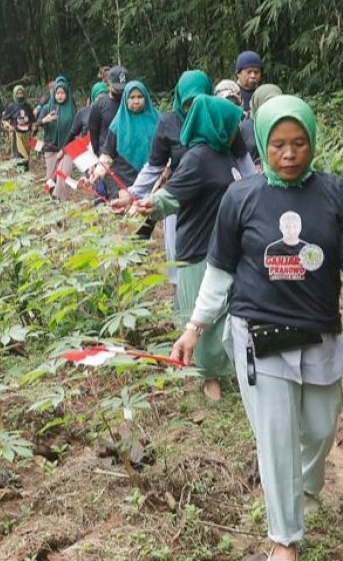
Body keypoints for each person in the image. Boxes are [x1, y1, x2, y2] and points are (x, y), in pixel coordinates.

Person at [171, 95, 343, 561]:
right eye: (277, 145)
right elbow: (219, 273)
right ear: (263, 144)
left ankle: (306, 489)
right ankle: (284, 538)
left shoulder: (336, 195)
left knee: (319, 425)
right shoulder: (242, 198)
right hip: (258, 335)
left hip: (318, 334)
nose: (289, 154)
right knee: (276, 440)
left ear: (312, 142)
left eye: (298, 144)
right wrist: (194, 328)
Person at [134, 95, 244, 401]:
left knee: (225, 310)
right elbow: (172, 194)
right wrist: (149, 203)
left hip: (224, 246)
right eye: (234, 123)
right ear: (217, 124)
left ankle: (226, 367)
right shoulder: (199, 156)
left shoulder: (224, 154)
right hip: (199, 247)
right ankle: (209, 377)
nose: (239, 129)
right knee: (203, 315)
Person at [116, 70, 213, 297]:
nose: (193, 109)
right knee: (179, 258)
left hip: (212, 199)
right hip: (176, 199)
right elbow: (154, 166)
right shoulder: (168, 123)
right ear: (180, 100)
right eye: (188, 103)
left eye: (200, 101)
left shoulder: (216, 119)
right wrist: (132, 194)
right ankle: (182, 304)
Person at [94, 80, 159, 198]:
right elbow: (107, 154)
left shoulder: (158, 121)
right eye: (132, 97)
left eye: (140, 97)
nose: (136, 101)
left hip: (152, 181)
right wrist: (98, 173)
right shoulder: (117, 125)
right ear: (125, 99)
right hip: (123, 182)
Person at [39, 79, 76, 198]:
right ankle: (50, 199)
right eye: (57, 93)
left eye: (62, 93)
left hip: (67, 148)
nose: (60, 96)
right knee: (51, 177)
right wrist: (45, 120)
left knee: (64, 174)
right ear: (54, 94)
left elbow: (77, 126)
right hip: (51, 147)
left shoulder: (72, 108)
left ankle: (60, 200)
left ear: (67, 94)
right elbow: (36, 124)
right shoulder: (46, 108)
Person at [88, 66, 126, 156]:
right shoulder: (99, 105)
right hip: (106, 154)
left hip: (126, 155)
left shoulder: (129, 103)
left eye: (122, 88)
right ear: (109, 84)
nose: (120, 91)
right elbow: (94, 132)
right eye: (117, 88)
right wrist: (97, 153)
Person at [241, 84, 283, 165]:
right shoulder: (243, 129)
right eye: (267, 103)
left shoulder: (287, 125)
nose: (272, 107)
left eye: (276, 102)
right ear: (257, 102)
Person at [4, 86, 34, 170]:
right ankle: (19, 173)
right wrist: (9, 127)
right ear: (14, 94)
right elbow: (4, 120)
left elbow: (32, 120)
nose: (20, 95)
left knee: (26, 155)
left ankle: (26, 173)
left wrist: (32, 130)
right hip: (16, 134)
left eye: (21, 93)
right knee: (18, 155)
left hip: (26, 134)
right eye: (18, 93)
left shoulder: (27, 106)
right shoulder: (12, 106)